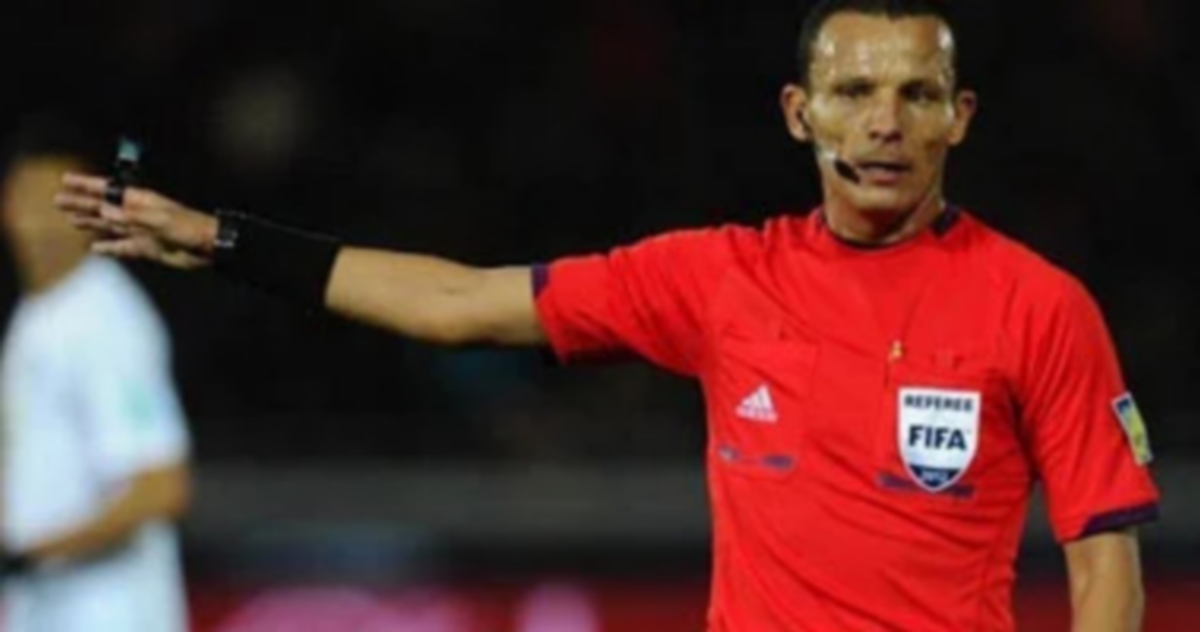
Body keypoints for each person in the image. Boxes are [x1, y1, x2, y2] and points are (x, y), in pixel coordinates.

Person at [54, 0, 1160, 630]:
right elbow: (457, 302)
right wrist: (226, 241)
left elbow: (1103, 561)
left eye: (917, 95)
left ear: (959, 117)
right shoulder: (719, 278)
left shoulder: (1039, 306)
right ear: (800, 112)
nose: (885, 123)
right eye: (855, 92)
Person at [1, 114, 193, 631]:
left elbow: (161, 486)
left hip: (112, 613)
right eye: (30, 199)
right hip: (45, 610)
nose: (42, 221)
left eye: (61, 204)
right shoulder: (39, 314)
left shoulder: (108, 320)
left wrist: (29, 553)